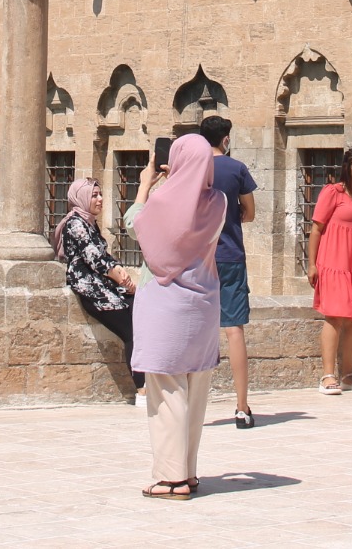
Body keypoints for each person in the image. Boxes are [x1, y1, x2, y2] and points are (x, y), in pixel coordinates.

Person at [130, 133, 226, 500]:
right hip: (204, 306)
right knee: (195, 392)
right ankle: (188, 470)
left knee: (167, 391)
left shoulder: (162, 200)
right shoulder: (218, 201)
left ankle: (171, 479)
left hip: (166, 306)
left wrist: (146, 185)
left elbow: (135, 224)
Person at [52, 178, 142, 393]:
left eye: (99, 194)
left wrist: (123, 277)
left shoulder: (88, 221)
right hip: (92, 290)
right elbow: (95, 259)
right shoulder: (75, 223)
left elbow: (104, 256)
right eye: (94, 195)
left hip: (104, 285)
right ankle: (142, 390)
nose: (100, 199)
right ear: (81, 198)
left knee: (141, 311)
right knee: (133, 332)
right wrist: (122, 278)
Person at [307, 146, 352, 394]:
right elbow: (316, 229)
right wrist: (311, 263)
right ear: (347, 168)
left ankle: (348, 374)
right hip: (335, 263)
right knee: (334, 317)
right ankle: (328, 375)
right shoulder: (333, 192)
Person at [200, 115, 258, 429]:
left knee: (195, 328)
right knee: (234, 330)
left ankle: (188, 404)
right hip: (230, 256)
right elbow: (249, 212)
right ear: (225, 138)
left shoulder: (191, 169)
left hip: (197, 259)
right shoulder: (236, 169)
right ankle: (241, 406)